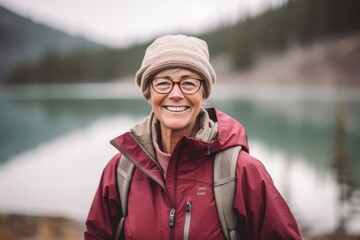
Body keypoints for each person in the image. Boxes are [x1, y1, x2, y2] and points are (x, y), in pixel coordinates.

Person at [84, 34, 301, 240]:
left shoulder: (241, 171)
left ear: (203, 93)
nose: (176, 94)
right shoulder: (121, 171)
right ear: (149, 93)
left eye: (188, 82)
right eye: (163, 83)